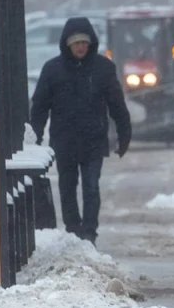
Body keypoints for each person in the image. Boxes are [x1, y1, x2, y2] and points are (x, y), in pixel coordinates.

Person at [30, 17, 132, 246]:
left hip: (93, 141)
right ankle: (73, 230)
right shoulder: (52, 70)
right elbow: (39, 107)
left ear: (91, 43)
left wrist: (125, 134)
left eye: (84, 42)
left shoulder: (103, 69)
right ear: (67, 44)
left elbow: (117, 104)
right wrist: (33, 138)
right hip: (64, 141)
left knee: (91, 187)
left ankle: (89, 232)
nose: (80, 46)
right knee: (67, 188)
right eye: (76, 42)